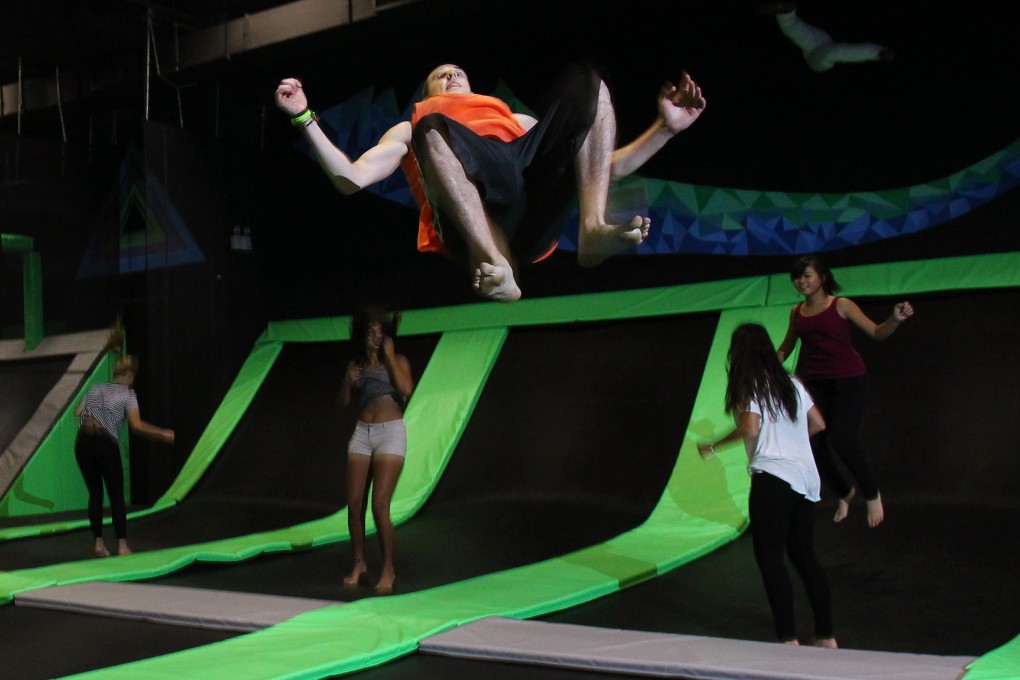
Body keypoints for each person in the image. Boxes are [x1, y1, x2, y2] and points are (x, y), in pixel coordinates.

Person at [274, 62, 706, 302]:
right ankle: (495, 264)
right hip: (471, 225)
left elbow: (600, 166)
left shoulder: (512, 120)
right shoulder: (417, 122)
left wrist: (665, 130)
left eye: (456, 72)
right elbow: (351, 178)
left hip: (528, 204)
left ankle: (592, 228)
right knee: (432, 129)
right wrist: (303, 117)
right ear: (426, 93)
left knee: (588, 85)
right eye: (439, 75)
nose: (450, 76)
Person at [698, 323, 836, 648]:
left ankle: (788, 640)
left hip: (773, 480)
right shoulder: (792, 383)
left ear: (738, 353)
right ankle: (826, 636)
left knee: (770, 558)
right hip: (804, 480)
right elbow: (818, 424)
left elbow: (749, 427)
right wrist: (793, 444)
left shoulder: (751, 384)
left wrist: (713, 447)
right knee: (804, 556)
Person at [777, 254, 914, 528]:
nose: (801, 281)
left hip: (849, 381)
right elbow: (787, 346)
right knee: (813, 442)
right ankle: (844, 491)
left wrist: (895, 319)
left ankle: (871, 493)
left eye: (807, 276)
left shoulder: (841, 305)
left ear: (822, 278)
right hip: (816, 384)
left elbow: (876, 333)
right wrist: (767, 369)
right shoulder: (796, 312)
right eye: (797, 277)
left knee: (842, 439)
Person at [337, 304, 414, 594]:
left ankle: (388, 568)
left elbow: (405, 390)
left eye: (379, 331)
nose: (375, 335)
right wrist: (347, 382)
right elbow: (342, 403)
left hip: (390, 432)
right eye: (370, 331)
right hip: (362, 433)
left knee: (380, 506)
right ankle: (359, 563)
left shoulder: (398, 360)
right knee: (354, 505)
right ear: (363, 335)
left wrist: (390, 357)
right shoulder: (356, 366)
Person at [74, 354, 174, 557]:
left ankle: (99, 544)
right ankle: (122, 546)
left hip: (83, 442)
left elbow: (77, 412)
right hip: (104, 444)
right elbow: (137, 426)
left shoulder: (97, 388)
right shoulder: (128, 395)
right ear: (128, 375)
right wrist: (162, 432)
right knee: (116, 496)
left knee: (95, 494)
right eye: (132, 376)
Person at [758, 3, 895, 73]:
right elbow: (851, 52)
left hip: (819, 46)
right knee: (832, 52)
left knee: (797, 31)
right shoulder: (820, 56)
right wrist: (879, 53)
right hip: (819, 51)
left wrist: (879, 52)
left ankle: (786, 13)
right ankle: (786, 13)